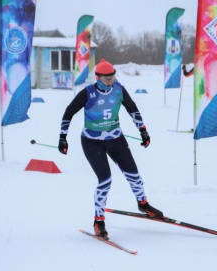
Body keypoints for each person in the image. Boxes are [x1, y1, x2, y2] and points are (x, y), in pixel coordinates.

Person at [57, 59, 163, 240]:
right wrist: (62, 137)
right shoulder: (88, 93)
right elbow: (69, 112)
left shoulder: (119, 89)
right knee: (105, 180)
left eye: (113, 77)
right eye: (107, 79)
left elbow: (132, 109)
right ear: (97, 77)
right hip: (92, 142)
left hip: (115, 139)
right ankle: (99, 221)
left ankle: (143, 204)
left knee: (134, 176)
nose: (110, 81)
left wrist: (143, 131)